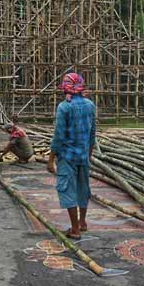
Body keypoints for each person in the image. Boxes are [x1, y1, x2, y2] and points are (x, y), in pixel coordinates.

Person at [47, 72, 96, 240]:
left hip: (67, 156)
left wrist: (51, 158)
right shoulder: (90, 105)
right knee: (83, 188)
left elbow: (59, 136)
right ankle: (82, 222)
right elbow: (92, 133)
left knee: (68, 189)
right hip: (83, 155)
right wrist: (89, 155)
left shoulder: (64, 107)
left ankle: (74, 229)